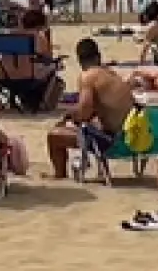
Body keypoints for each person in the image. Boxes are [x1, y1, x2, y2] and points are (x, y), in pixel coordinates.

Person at [47, 37, 135, 179]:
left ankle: (59, 176)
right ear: (98, 56)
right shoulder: (112, 74)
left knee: (54, 136)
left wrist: (69, 115)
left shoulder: (88, 77)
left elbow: (83, 113)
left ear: (80, 61)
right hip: (132, 137)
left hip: (112, 142)